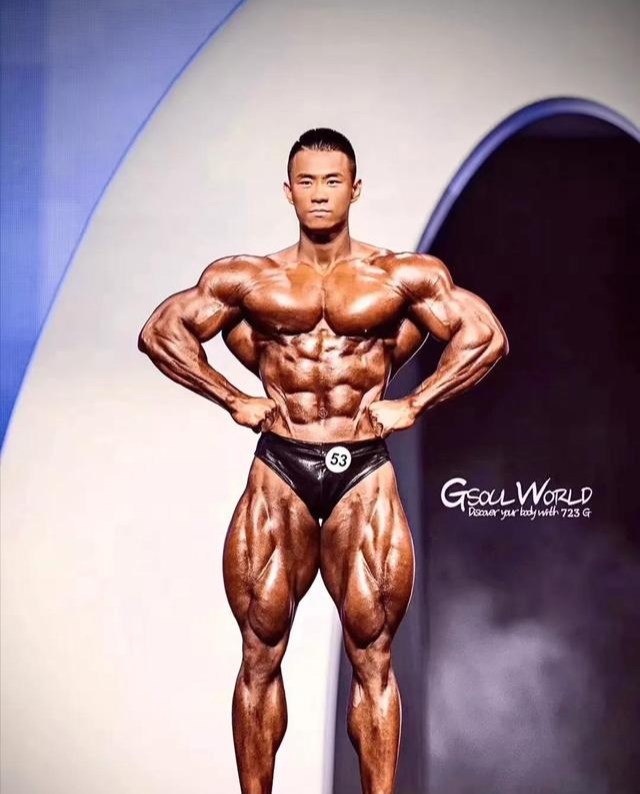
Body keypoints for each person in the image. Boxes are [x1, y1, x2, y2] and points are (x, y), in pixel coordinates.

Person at [138, 128, 508, 794]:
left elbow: (484, 338)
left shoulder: (400, 276)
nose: (319, 194)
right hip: (280, 468)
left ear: (354, 189)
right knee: (259, 653)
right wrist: (231, 397)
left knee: (373, 657)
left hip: (363, 473)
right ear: (288, 191)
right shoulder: (248, 278)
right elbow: (162, 332)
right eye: (306, 182)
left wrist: (415, 402)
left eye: (332, 181)